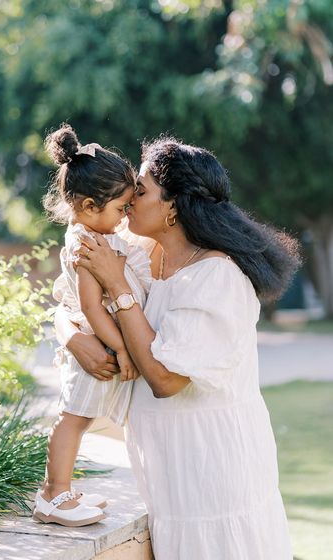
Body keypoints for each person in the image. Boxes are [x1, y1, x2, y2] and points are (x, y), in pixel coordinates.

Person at [56, 137, 301, 558]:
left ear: (173, 207)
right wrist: (73, 337)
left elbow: (166, 379)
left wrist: (117, 287)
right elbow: (67, 299)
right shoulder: (136, 254)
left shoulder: (217, 277)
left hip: (213, 469)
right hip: (165, 468)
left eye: (143, 189)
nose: (130, 197)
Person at [33, 125, 151, 527]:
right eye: (120, 209)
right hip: (96, 342)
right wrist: (121, 347)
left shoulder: (91, 232)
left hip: (100, 339)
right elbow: (89, 305)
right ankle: (53, 495)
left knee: (80, 417)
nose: (125, 217)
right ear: (87, 206)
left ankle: (58, 491)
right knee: (73, 417)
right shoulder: (86, 242)